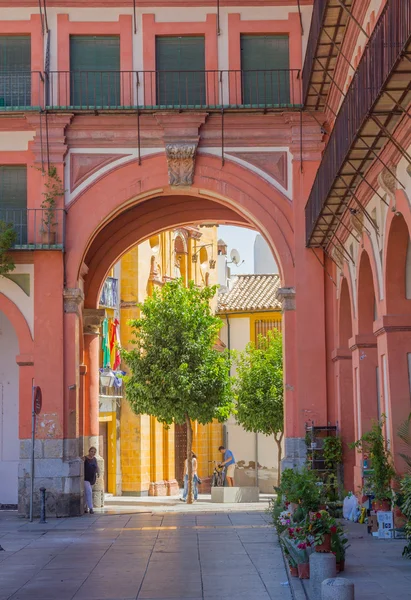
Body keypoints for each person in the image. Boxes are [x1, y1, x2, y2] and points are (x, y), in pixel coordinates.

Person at [83, 446, 99, 514]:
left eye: (94, 452)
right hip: (86, 478)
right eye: (92, 451)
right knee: (89, 492)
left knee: (87, 493)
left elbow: (97, 467)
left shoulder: (95, 459)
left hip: (92, 479)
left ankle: (85, 507)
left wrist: (98, 472)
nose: (93, 453)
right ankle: (91, 508)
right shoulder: (85, 458)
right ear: (89, 451)